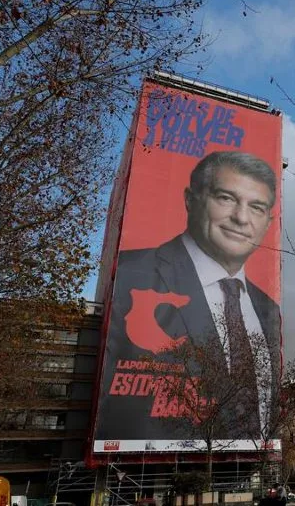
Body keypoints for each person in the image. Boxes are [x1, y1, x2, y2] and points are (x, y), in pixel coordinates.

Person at [95, 151, 281, 444]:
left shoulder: (268, 308)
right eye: (226, 198)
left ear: (268, 222)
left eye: (256, 207)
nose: (241, 218)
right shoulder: (132, 274)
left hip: (250, 463)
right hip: (145, 467)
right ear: (190, 200)